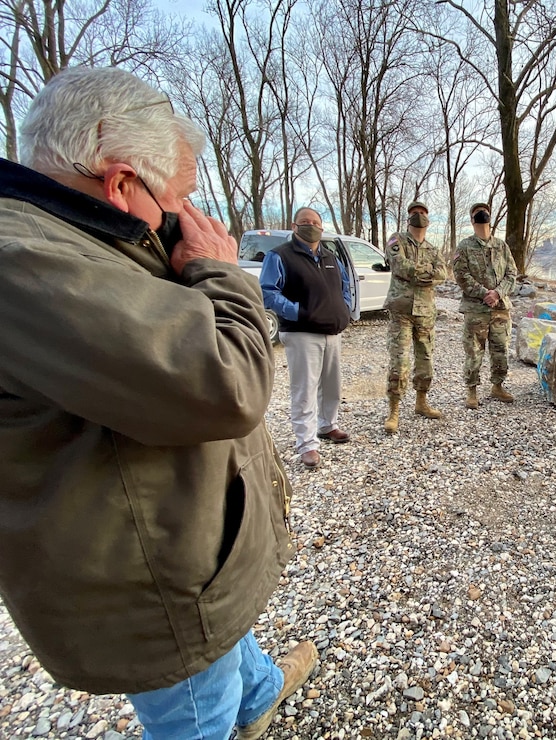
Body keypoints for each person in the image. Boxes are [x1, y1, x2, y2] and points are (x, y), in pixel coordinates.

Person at [0, 67, 316, 740]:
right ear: (120, 183)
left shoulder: (82, 232)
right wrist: (219, 272)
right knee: (191, 707)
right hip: (146, 576)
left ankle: (257, 695)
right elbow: (228, 384)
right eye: (180, 199)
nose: (189, 221)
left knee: (222, 635)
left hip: (188, 546)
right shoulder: (24, 258)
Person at [261, 207, 353, 468]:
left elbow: (344, 286)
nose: (310, 226)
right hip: (301, 333)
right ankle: (307, 443)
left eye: (315, 222)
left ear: (322, 227)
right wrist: (299, 312)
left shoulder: (330, 256)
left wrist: (344, 309)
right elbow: (268, 292)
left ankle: (328, 425)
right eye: (305, 222)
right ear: (294, 226)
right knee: (305, 389)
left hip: (332, 332)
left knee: (332, 385)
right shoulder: (279, 255)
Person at [383, 200, 447, 433]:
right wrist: (426, 273)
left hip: (426, 313)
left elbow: (443, 273)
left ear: (428, 219)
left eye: (422, 213)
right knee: (399, 363)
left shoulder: (433, 248)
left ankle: (421, 403)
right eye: (414, 213)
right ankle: (394, 411)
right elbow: (400, 266)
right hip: (402, 311)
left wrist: (420, 273)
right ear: (408, 217)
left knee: (426, 361)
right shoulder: (396, 240)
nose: (418, 215)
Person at [452, 202, 518, 408]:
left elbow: (512, 273)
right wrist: (484, 294)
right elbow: (461, 275)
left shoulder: (501, 245)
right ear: (472, 220)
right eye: (477, 213)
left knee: (500, 350)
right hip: (476, 309)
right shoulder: (464, 246)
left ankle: (497, 386)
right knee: (474, 351)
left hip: (500, 308)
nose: (482, 214)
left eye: (485, 211)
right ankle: (471, 391)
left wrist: (498, 293)